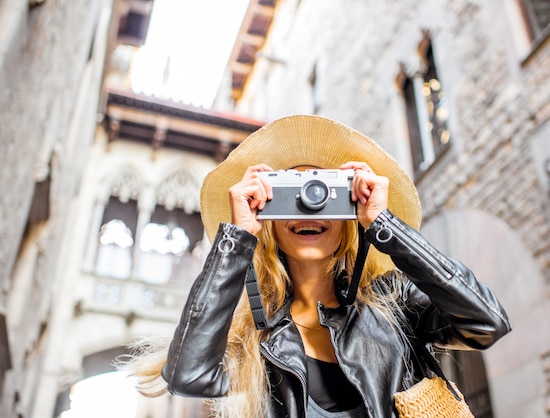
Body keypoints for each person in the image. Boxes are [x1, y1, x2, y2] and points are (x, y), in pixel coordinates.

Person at [125, 115, 511, 417]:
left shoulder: (392, 301)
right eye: (291, 194)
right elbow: (187, 375)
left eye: (327, 194)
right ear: (269, 217)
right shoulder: (257, 336)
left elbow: (486, 323)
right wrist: (239, 235)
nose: (310, 204)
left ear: (348, 216)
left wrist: (383, 225)